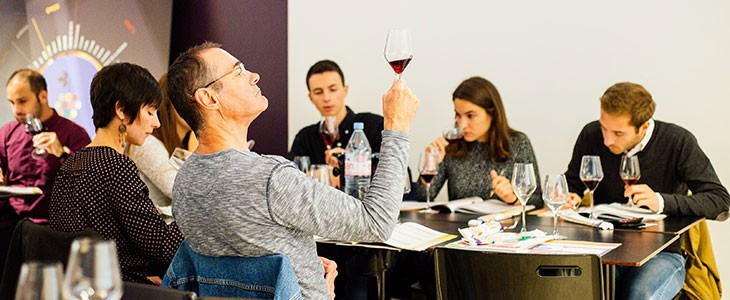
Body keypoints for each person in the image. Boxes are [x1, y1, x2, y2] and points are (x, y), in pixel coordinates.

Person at [166, 42, 419, 299]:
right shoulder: (270, 178)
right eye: (239, 71)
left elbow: (234, 261)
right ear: (209, 98)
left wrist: (303, 261)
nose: (254, 76)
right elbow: (377, 222)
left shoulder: (185, 179)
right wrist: (397, 126)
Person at [564, 82, 730, 299]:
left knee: (639, 295)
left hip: (661, 254)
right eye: (604, 128)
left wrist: (661, 201)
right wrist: (567, 196)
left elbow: (720, 201)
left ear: (643, 127)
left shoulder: (678, 141)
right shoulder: (591, 135)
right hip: (605, 249)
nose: (606, 140)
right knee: (579, 289)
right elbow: (572, 184)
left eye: (618, 133)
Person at [49, 63, 184, 284]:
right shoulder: (115, 166)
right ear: (121, 110)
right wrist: (197, 204)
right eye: (150, 112)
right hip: (117, 289)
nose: (157, 122)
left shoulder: (73, 161)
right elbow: (163, 246)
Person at [0, 69, 90, 270]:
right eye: (12, 103)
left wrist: (61, 153)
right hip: (12, 228)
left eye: (22, 101)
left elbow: (88, 186)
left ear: (43, 96)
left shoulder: (74, 134)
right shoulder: (8, 133)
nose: (16, 110)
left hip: (52, 232)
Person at [416, 76, 542, 207]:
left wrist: (512, 198)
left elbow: (537, 201)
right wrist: (429, 167)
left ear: (492, 114)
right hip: (456, 226)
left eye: (470, 116)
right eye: (458, 115)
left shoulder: (518, 143)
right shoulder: (451, 145)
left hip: (504, 226)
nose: (462, 124)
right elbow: (423, 198)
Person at [288, 60, 384, 171]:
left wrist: (353, 163)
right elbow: (288, 177)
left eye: (333, 89)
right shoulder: (305, 138)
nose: (326, 98)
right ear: (311, 98)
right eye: (318, 92)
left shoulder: (375, 126)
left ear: (345, 90)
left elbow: (399, 174)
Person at [128, 74, 198, 217]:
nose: (197, 105)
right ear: (168, 103)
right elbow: (179, 191)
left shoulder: (185, 144)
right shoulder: (147, 143)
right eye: (190, 97)